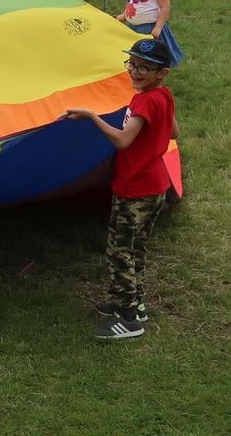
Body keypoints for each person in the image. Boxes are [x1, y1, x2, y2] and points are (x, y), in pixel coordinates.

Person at [66, 37, 178, 340]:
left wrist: (92, 116)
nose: (136, 72)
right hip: (156, 185)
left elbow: (123, 141)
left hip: (136, 189)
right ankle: (133, 302)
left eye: (145, 68)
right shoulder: (163, 95)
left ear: (162, 73)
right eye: (133, 64)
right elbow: (174, 130)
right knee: (136, 249)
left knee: (119, 253)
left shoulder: (144, 100)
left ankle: (129, 320)